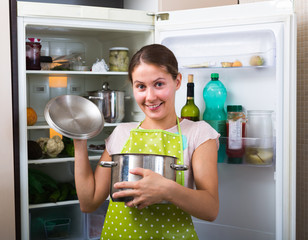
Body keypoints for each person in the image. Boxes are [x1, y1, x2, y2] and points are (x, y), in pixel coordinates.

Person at [74, 44, 220, 239]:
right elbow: (89, 202)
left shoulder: (198, 134)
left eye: (159, 84)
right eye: (141, 86)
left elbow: (211, 209)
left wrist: (168, 190)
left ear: (177, 82)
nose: (150, 97)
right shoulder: (122, 133)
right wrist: (79, 139)